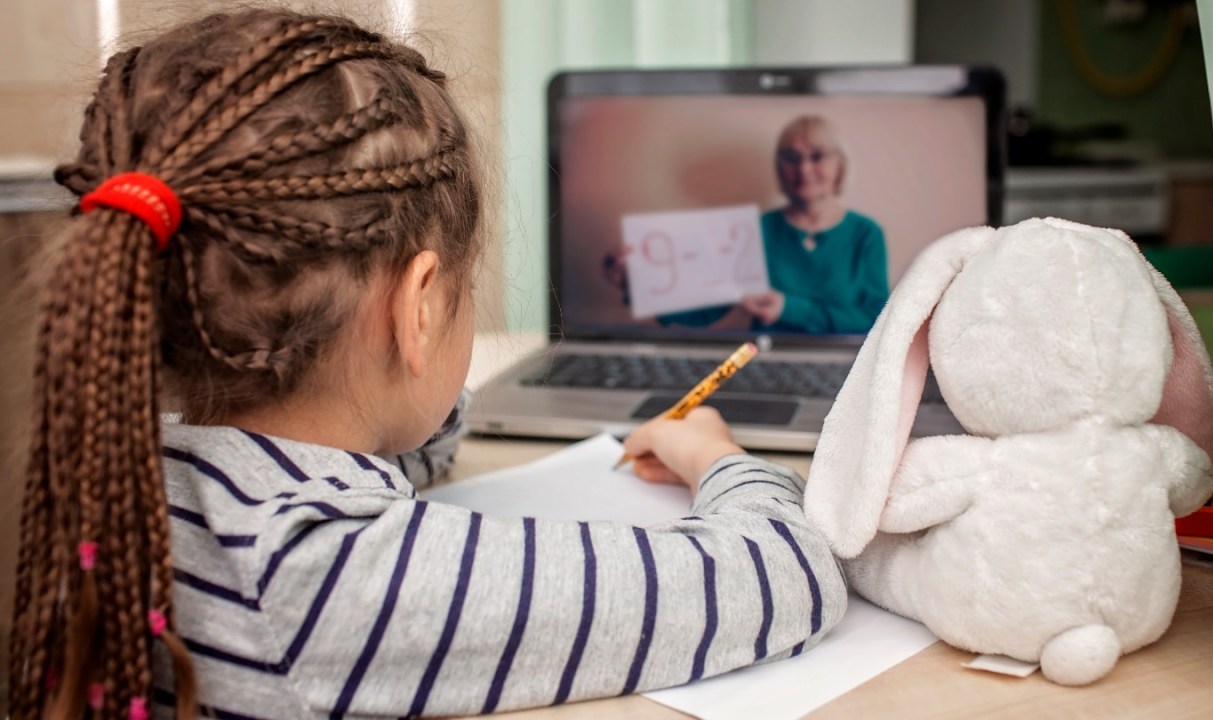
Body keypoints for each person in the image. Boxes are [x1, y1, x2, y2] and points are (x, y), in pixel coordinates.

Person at [8, 9, 846, 719]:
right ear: (418, 307)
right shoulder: (334, 578)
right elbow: (788, 572)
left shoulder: (126, 468)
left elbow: (411, 451)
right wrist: (713, 454)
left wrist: (399, 393)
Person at [614, 115, 890, 334]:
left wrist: (788, 309)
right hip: (763, 359)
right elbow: (709, 308)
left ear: (840, 165)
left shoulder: (865, 233)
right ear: (780, 168)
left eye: (817, 156)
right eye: (791, 158)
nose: (804, 169)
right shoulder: (754, 231)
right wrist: (640, 284)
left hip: (845, 364)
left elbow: (875, 321)